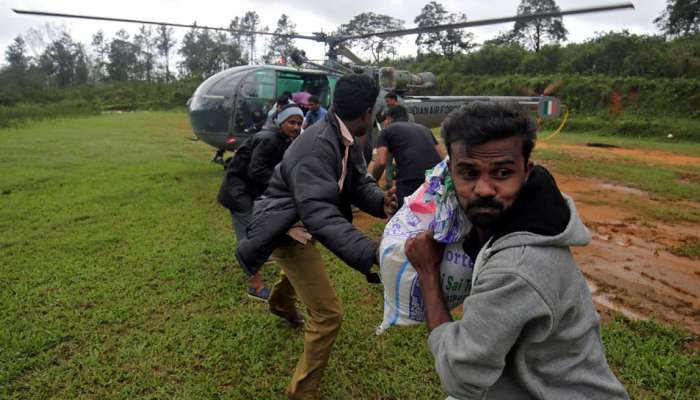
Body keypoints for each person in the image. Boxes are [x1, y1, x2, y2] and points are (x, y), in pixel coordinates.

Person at [404, 102, 629, 400]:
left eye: (502, 173)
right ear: (451, 174)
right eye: (468, 173)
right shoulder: (523, 216)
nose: (483, 189)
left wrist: (428, 272)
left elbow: (460, 377)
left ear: (526, 173)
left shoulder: (517, 269)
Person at [237, 74, 398, 399]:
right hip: (287, 229)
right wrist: (372, 251)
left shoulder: (345, 135)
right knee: (328, 315)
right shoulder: (317, 145)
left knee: (300, 272)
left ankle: (281, 304)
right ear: (368, 111)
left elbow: (356, 182)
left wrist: (381, 201)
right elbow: (319, 213)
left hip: (299, 222)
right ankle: (302, 393)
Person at [217, 104, 304, 300]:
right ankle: (254, 285)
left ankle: (261, 258)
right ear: (281, 121)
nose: (296, 127)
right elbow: (256, 171)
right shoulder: (269, 139)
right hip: (238, 193)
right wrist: (283, 186)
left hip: (250, 192)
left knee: (261, 227)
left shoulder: (283, 139)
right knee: (251, 236)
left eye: (299, 123)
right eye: (292, 122)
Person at [371, 104, 441, 208]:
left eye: (385, 119)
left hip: (409, 182)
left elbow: (380, 163)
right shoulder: (425, 128)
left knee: (403, 217)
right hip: (435, 180)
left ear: (389, 118)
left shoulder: (386, 131)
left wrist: (371, 184)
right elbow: (441, 156)